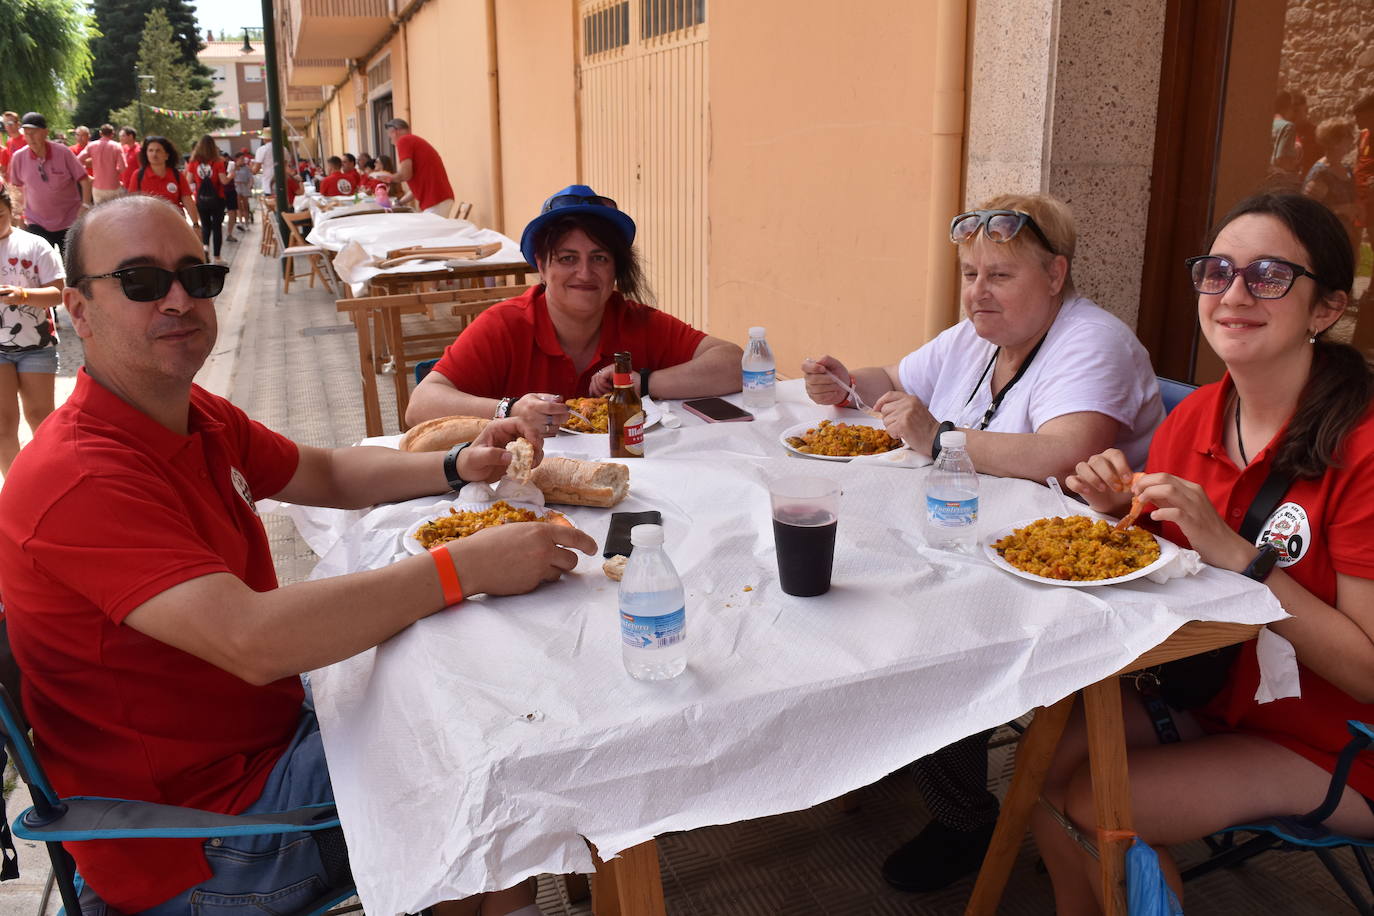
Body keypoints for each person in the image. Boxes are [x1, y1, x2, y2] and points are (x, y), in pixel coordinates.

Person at [0, 194, 591, 915]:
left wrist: (460, 463)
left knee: (473, 701)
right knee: (490, 776)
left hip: (265, 741)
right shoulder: (79, 475)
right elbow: (254, 641)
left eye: (198, 276)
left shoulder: (191, 412)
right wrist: (466, 568)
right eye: (142, 282)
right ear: (77, 309)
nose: (179, 299)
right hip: (200, 838)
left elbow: (331, 474)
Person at [803, 193, 1164, 893]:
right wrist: (844, 381)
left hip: (1077, 569)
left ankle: (962, 815)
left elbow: (1065, 452)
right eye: (970, 274)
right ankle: (891, 746)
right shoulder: (981, 334)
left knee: (923, 620)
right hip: (981, 534)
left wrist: (938, 436)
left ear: (1055, 276)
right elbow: (895, 385)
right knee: (861, 578)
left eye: (999, 275)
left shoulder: (1093, 341)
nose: (977, 292)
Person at [1039, 192, 1374, 912]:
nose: (1234, 294)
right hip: (1214, 695)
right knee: (1044, 763)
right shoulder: (1193, 415)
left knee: (1099, 807)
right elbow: (1168, 575)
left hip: (1339, 741)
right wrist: (1114, 515)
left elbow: (1368, 672)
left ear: (1327, 308)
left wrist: (1239, 554)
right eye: (1218, 271)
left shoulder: (1365, 448)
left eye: (1270, 276)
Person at [406, 184, 744, 430]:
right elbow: (420, 405)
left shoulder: (635, 321)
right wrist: (509, 410)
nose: (585, 273)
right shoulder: (505, 324)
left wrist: (642, 382)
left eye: (599, 258)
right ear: (541, 266)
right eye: (568, 259)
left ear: (616, 269)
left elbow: (735, 364)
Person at [0, 185, 64, 476]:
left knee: (41, 419)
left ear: (11, 211)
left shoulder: (35, 244)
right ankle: (16, 492)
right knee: (2, 425)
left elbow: (58, 294)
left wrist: (23, 295)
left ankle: (47, 482)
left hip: (36, 347)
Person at [6, 112, 92, 253]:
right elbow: (15, 188)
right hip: (36, 221)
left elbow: (84, 179)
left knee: (71, 265)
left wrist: (85, 204)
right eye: (27, 133)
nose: (30, 137)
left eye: (34, 133)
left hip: (68, 220)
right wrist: (19, 217)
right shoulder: (19, 157)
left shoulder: (63, 153)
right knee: (38, 269)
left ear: (45, 132)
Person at [374, 118, 454, 215]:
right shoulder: (413, 141)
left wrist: (388, 178)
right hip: (440, 198)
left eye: (390, 137)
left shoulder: (404, 140)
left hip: (436, 200)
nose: (391, 142)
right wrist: (399, 203)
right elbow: (414, 190)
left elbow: (405, 175)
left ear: (394, 132)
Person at [1303, 117, 1359, 256]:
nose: (1352, 139)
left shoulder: (1346, 168)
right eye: (1347, 135)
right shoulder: (1321, 173)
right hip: (1328, 238)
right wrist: (1342, 209)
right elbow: (1308, 209)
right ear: (1334, 141)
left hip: (1347, 235)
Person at [125, 135, 198, 228]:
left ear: (167, 155)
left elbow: (188, 200)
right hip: (147, 226)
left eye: (158, 150)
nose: (154, 154)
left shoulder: (177, 176)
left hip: (175, 225)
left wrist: (195, 225)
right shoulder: (138, 175)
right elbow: (132, 204)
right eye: (150, 150)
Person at [188, 134, 230, 264]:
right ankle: (217, 257)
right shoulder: (218, 162)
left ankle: (205, 249)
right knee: (217, 227)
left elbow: (188, 180)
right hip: (218, 198)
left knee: (205, 226)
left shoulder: (193, 162)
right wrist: (231, 175)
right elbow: (223, 181)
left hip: (200, 199)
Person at [80, 124, 128, 204]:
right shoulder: (116, 146)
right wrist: (115, 173)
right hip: (113, 185)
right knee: (116, 211)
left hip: (97, 186)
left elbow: (78, 160)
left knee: (100, 212)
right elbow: (123, 167)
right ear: (112, 134)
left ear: (100, 133)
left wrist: (86, 169)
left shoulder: (92, 145)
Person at [1271, 91, 1302, 186]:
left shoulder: (1268, 123)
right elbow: (1282, 160)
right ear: (1287, 107)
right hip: (1279, 181)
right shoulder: (1288, 126)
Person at [233, 147, 254, 230]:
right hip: (237, 187)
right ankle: (241, 222)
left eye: (243, 158)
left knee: (245, 205)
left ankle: (246, 222)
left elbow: (250, 178)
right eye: (241, 158)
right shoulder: (233, 167)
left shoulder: (246, 168)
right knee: (238, 206)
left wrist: (250, 185)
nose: (243, 160)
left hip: (244, 187)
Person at [221, 150, 240, 239]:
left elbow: (236, 171)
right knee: (228, 212)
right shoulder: (217, 166)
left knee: (232, 212)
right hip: (222, 191)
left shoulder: (230, 165)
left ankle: (229, 233)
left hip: (229, 191)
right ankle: (228, 233)